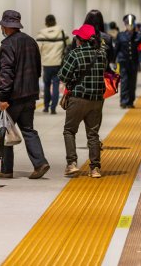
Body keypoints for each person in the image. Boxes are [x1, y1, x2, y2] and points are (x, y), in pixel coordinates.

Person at [0, 10, 50, 179]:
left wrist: (3, 97)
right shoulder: (31, 41)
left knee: (5, 130)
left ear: (6, 26)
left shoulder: (8, 44)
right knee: (28, 130)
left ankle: (6, 169)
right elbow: (38, 68)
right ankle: (40, 163)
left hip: (12, 97)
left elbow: (6, 72)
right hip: (29, 95)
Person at [58, 24, 107, 178]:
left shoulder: (75, 54)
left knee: (69, 130)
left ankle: (72, 164)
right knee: (93, 134)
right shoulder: (101, 54)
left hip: (78, 99)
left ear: (79, 40)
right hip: (96, 100)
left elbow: (63, 76)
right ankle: (95, 168)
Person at [36, 14, 68, 114]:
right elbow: (69, 43)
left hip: (46, 64)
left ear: (46, 22)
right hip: (58, 63)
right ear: (55, 21)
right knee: (56, 85)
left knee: (46, 85)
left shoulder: (41, 34)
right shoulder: (62, 32)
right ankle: (53, 108)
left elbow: (37, 49)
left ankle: (46, 107)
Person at [115, 14, 141, 108]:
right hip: (123, 62)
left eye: (131, 24)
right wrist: (112, 60)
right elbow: (116, 49)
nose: (130, 26)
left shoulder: (138, 36)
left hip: (134, 62)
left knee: (132, 82)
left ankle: (130, 101)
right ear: (125, 24)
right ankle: (124, 101)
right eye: (128, 24)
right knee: (124, 81)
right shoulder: (120, 35)